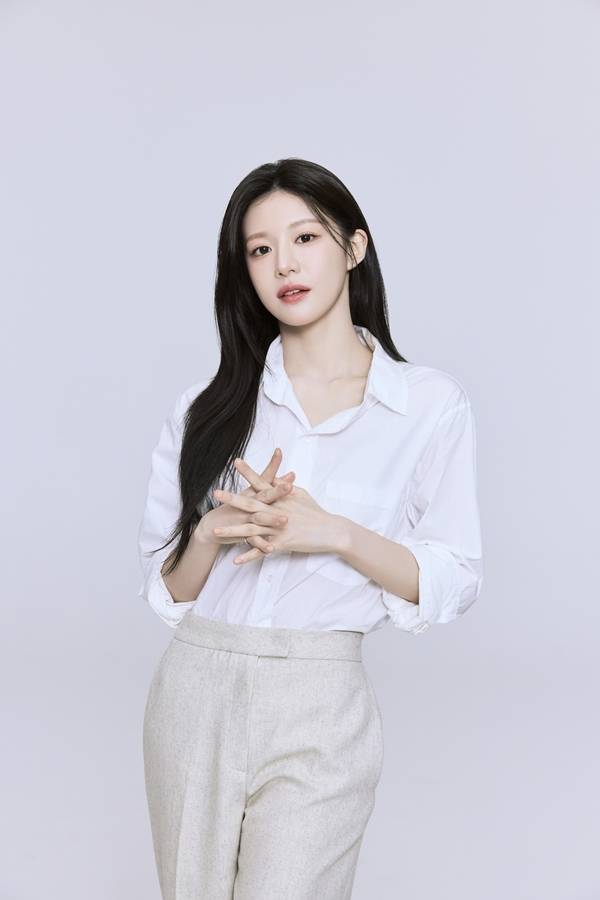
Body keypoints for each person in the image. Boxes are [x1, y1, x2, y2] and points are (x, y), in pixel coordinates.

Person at [137, 157, 484, 899]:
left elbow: (454, 578)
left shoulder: (426, 405)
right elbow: (169, 594)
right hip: (195, 686)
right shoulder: (207, 407)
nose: (283, 265)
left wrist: (334, 532)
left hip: (320, 697)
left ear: (353, 247)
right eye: (260, 249)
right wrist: (212, 533)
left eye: (305, 238)